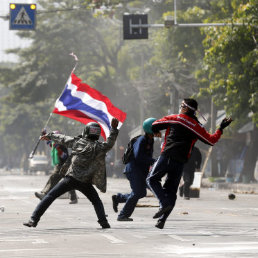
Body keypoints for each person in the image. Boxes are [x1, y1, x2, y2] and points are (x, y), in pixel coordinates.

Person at [147, 98, 232, 229]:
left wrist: (155, 131)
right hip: (181, 162)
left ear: (185, 108)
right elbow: (211, 141)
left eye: (181, 106)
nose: (180, 108)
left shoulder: (175, 118)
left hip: (167, 155)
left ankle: (163, 204)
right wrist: (220, 128)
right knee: (171, 192)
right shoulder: (196, 126)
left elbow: (154, 124)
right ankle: (162, 220)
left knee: (151, 180)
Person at [23, 118, 119, 229]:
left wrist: (49, 136)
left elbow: (62, 138)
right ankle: (104, 223)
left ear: (86, 132)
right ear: (97, 134)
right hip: (86, 182)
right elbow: (110, 143)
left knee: (50, 196)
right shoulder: (100, 147)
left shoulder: (77, 142)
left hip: (70, 179)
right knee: (96, 201)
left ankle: (33, 220)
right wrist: (114, 129)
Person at [112, 118, 160, 221]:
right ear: (150, 129)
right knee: (137, 192)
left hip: (140, 171)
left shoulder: (150, 140)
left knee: (141, 193)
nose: (159, 130)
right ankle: (123, 215)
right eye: (156, 128)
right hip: (133, 170)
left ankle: (118, 198)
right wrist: (153, 160)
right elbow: (138, 156)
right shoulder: (141, 140)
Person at [34, 130, 78, 204]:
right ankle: (73, 197)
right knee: (68, 182)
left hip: (64, 165)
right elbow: (49, 142)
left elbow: (64, 156)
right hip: (60, 164)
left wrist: (58, 150)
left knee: (53, 178)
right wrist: (44, 134)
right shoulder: (54, 143)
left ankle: (44, 194)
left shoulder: (62, 145)